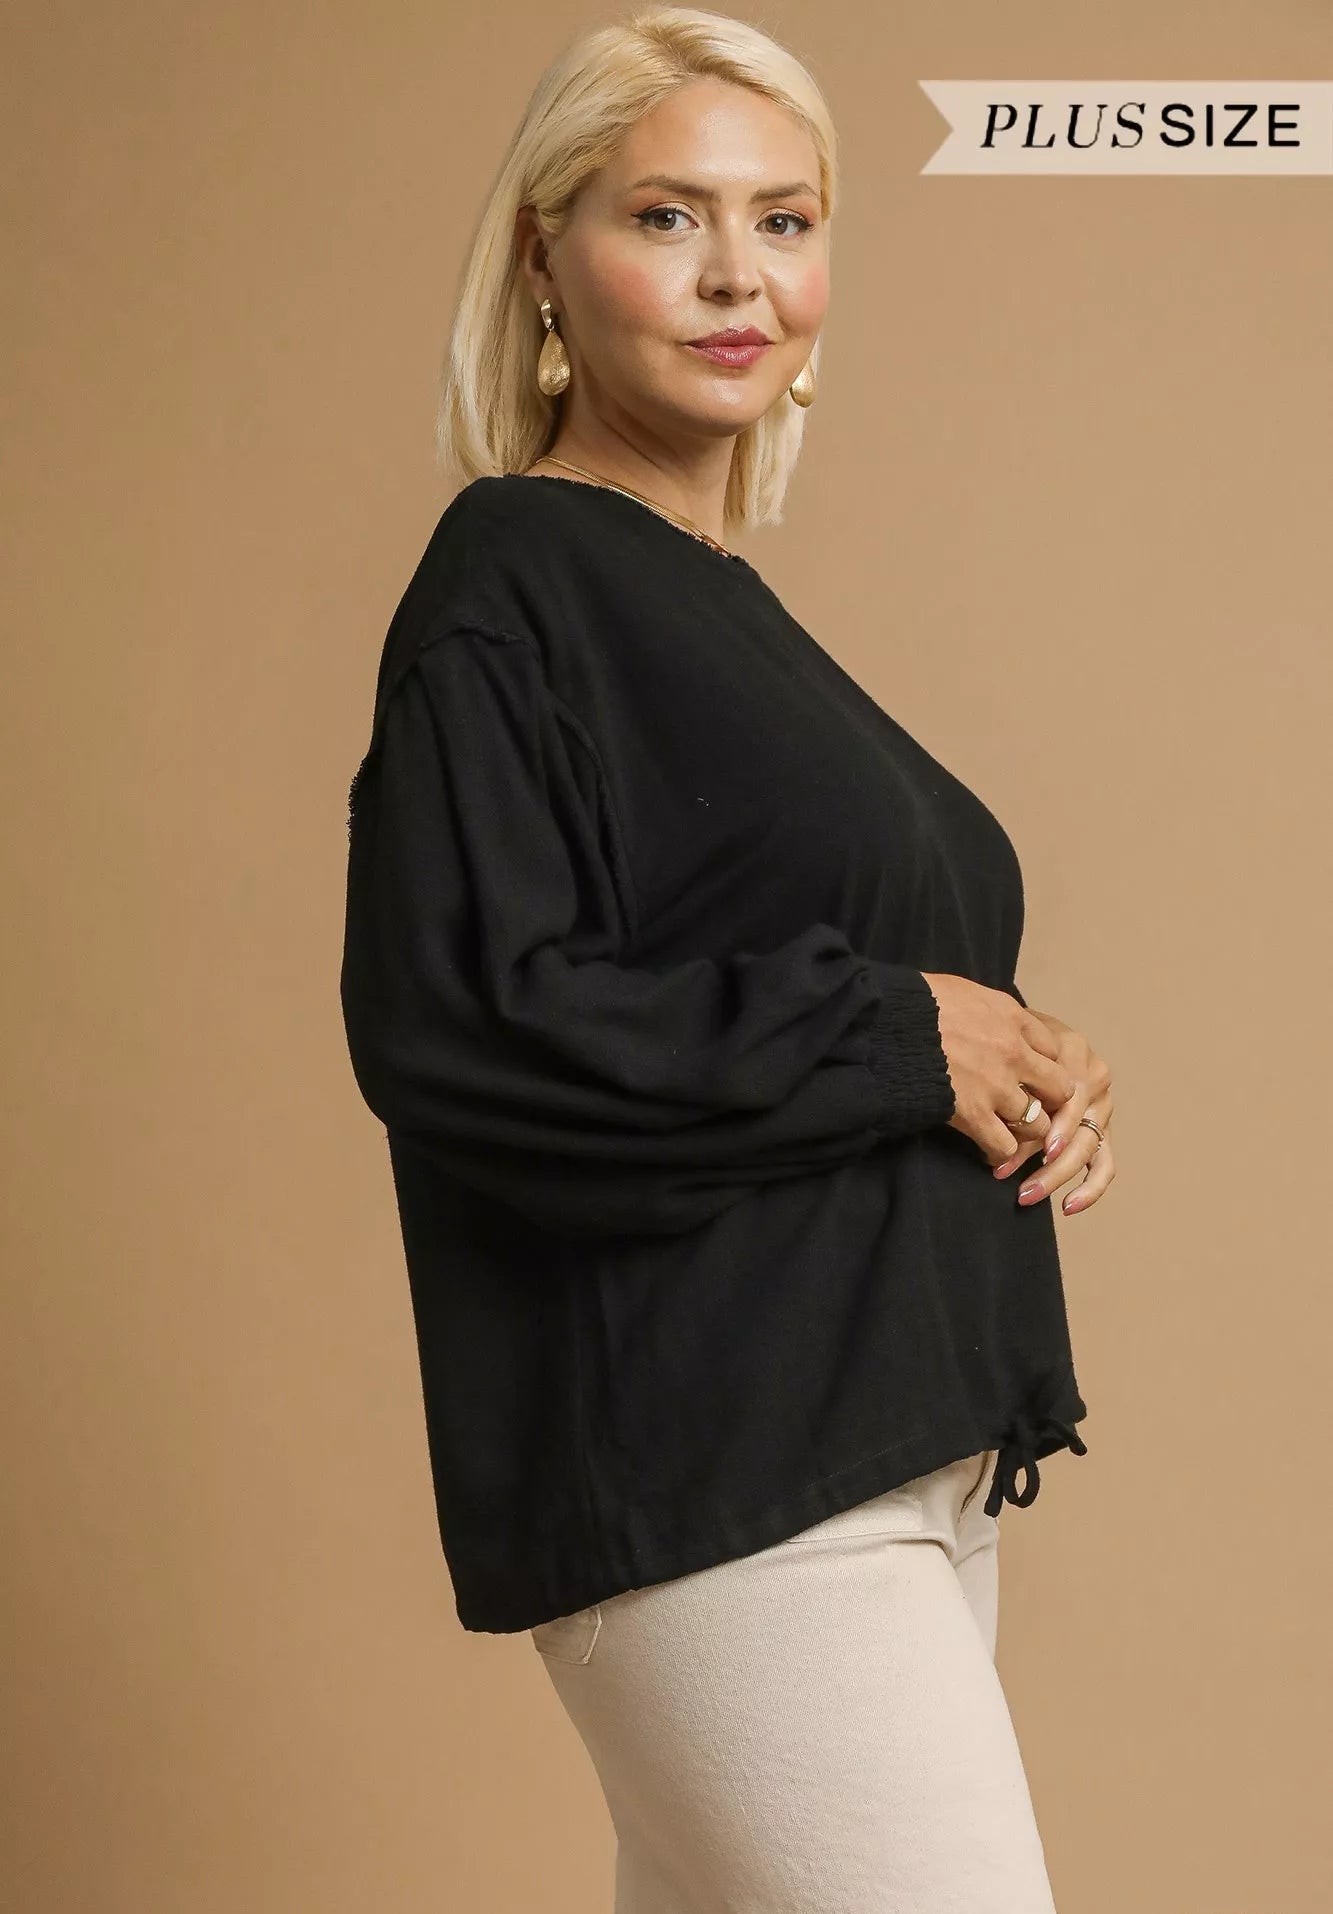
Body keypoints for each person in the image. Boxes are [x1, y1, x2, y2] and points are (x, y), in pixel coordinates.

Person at [339, 7, 1115, 1908]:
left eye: (784, 220)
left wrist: (1020, 1054)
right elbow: (467, 1025)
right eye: (667, 216)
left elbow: (829, 976)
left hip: (886, 1457)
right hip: (731, 1473)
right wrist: (894, 1035)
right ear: (544, 253)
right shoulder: (514, 577)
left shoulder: (719, 610)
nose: (735, 277)